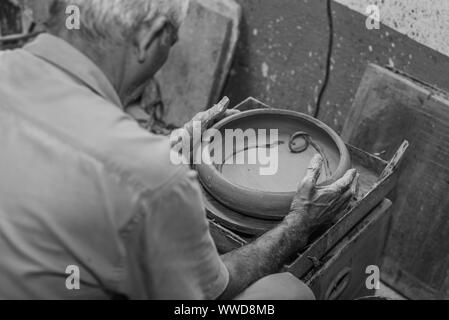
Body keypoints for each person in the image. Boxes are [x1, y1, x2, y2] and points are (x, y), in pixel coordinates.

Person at [0, 0, 358, 299]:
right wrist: (296, 226)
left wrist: (163, 151)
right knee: (287, 292)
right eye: (172, 41)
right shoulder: (152, 177)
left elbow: (67, 157)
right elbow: (212, 291)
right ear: (151, 36)